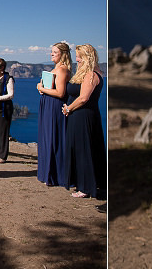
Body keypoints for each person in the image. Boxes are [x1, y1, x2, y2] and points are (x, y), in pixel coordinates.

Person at [62, 44, 106, 200]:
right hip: (80, 116)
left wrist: (68, 109)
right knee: (82, 149)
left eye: (79, 56)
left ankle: (86, 187)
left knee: (83, 151)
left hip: (83, 116)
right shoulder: (90, 74)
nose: (77, 59)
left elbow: (84, 98)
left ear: (87, 57)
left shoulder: (91, 75)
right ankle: (83, 182)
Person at [36, 42, 72, 186]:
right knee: (47, 137)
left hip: (54, 107)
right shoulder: (55, 68)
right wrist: (41, 88)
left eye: (54, 52)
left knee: (53, 137)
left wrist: (42, 88)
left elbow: (60, 93)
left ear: (63, 54)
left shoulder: (62, 70)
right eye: (51, 51)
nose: (51, 54)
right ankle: (48, 173)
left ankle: (56, 175)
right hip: (48, 105)